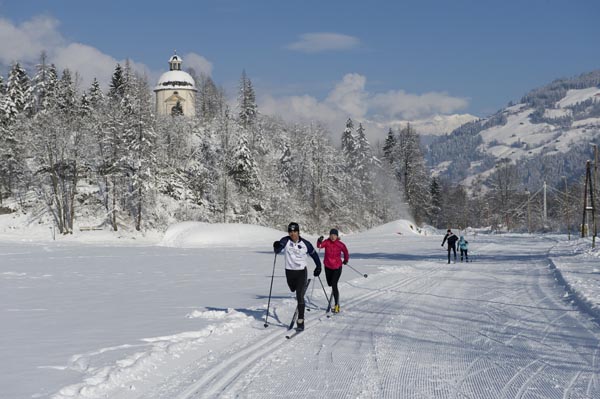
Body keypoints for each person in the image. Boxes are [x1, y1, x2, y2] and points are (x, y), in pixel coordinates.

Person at [273, 222, 322, 331]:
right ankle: (300, 289)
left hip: (301, 272)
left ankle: (301, 320)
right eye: (290, 231)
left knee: (299, 295)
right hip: (289, 272)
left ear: (298, 232)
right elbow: (278, 249)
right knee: (293, 289)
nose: (292, 233)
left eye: (294, 231)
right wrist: (276, 246)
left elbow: (314, 255)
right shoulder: (285, 240)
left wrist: (318, 266)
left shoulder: (306, 244)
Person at [317, 228, 349, 313]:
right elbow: (319, 246)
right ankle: (334, 292)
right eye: (331, 235)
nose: (333, 236)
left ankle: (337, 305)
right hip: (327, 266)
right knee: (330, 283)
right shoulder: (327, 242)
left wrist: (346, 260)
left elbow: (345, 252)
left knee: (334, 284)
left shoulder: (340, 244)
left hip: (337, 267)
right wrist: (319, 241)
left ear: (337, 236)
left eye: (334, 235)